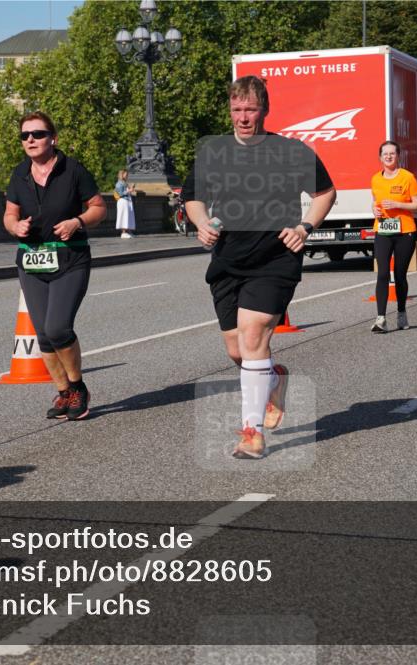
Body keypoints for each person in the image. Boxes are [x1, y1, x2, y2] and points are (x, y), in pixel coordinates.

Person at [183, 75, 335, 460]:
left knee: (253, 337)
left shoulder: (290, 151)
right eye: (237, 109)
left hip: (275, 259)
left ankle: (251, 433)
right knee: (238, 351)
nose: (243, 117)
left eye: (250, 109)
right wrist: (201, 222)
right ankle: (273, 379)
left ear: (264, 110)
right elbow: (193, 198)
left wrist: (304, 227)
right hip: (228, 260)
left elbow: (325, 192)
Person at [4, 111, 106, 420]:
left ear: (53, 138)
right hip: (32, 261)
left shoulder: (73, 170)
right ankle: (64, 393)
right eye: (25, 135)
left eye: (38, 134)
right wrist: (15, 226)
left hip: (70, 258)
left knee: (58, 328)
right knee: (44, 336)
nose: (31, 139)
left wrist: (77, 222)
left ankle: (78, 387)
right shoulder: (19, 174)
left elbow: (99, 207)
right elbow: (9, 214)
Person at [369, 140, 417, 333]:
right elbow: (375, 202)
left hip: (404, 231)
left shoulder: (407, 177)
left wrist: (398, 205)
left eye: (392, 153)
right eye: (385, 153)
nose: (389, 156)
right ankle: (381, 319)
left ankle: (401, 312)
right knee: (383, 273)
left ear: (398, 156)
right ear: (380, 157)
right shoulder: (376, 179)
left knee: (400, 275)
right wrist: (374, 210)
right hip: (383, 230)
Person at [114, 170, 137, 238]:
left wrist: (131, 188)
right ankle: (123, 232)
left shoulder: (125, 183)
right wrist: (129, 190)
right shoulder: (119, 183)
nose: (127, 176)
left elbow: (126, 191)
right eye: (126, 175)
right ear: (122, 175)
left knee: (128, 216)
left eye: (127, 175)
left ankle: (128, 231)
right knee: (124, 216)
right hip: (122, 201)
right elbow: (121, 193)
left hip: (127, 201)